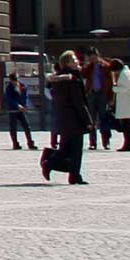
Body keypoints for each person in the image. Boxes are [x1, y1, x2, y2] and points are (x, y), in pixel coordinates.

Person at [44, 50, 92, 185]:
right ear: (68, 63)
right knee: (76, 149)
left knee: (65, 147)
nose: (77, 61)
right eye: (74, 60)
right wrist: (88, 120)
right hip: (74, 118)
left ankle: (70, 173)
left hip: (63, 117)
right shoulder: (73, 79)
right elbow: (79, 102)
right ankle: (67, 172)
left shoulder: (58, 79)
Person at [111, 55, 130, 151]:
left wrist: (114, 88)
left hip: (125, 103)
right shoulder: (127, 72)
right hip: (126, 102)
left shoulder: (124, 74)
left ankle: (128, 145)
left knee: (126, 126)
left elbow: (125, 88)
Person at [3, 72, 38, 150]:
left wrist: (24, 105)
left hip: (21, 110)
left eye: (16, 80)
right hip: (13, 110)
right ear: (11, 80)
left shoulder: (22, 86)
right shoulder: (9, 88)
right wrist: (17, 105)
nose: (15, 82)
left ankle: (30, 143)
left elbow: (25, 96)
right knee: (13, 127)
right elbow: (9, 99)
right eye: (13, 80)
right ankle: (15, 144)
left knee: (26, 126)